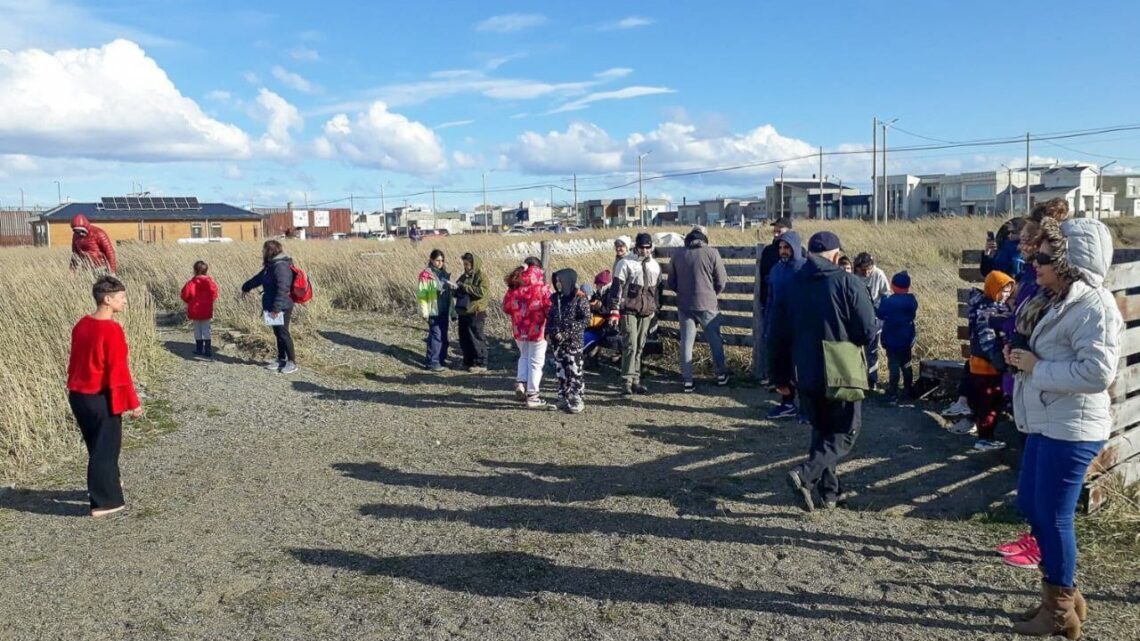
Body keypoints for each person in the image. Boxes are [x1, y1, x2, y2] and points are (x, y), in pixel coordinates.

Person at [1006, 216, 1121, 638]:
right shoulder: (1058, 299)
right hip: (1047, 418)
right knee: (1033, 506)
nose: (1034, 263)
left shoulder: (1093, 304)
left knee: (1053, 516)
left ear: (1071, 261)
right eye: (1035, 255)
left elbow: (1097, 372)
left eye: (1044, 258)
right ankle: (1066, 596)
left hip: (1072, 426)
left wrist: (1038, 367)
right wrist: (1020, 356)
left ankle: (1058, 612)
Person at [770, 231, 876, 512]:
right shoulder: (847, 282)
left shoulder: (791, 284)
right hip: (841, 369)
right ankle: (804, 474)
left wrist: (779, 377)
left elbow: (776, 334)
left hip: (804, 370)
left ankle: (830, 493)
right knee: (845, 432)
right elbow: (867, 330)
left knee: (822, 431)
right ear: (835, 254)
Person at [67, 276, 143, 518]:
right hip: (99, 396)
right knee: (106, 448)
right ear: (107, 300)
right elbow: (118, 371)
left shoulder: (82, 324)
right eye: (121, 297)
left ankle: (111, 483)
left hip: (78, 395)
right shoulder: (111, 329)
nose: (125, 301)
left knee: (97, 445)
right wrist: (132, 403)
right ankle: (104, 502)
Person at [667, 225, 729, 393]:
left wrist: (682, 292)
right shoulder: (712, 253)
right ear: (704, 237)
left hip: (685, 304)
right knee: (715, 340)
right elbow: (722, 281)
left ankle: (688, 380)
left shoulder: (678, 254)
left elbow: (671, 282)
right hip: (707, 303)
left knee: (686, 343)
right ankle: (721, 375)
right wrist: (712, 293)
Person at [965, 270, 1015, 452]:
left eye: (1009, 291)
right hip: (987, 365)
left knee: (989, 401)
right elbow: (987, 340)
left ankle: (984, 434)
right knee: (989, 402)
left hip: (985, 364)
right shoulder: (987, 310)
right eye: (1003, 290)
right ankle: (984, 438)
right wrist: (1000, 362)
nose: (1006, 295)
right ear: (993, 289)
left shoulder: (987, 306)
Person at [609, 232, 662, 396]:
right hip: (629, 309)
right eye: (642, 247)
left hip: (646, 310)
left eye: (647, 247)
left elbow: (656, 290)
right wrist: (614, 310)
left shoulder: (655, 266)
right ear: (636, 247)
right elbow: (616, 288)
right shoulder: (626, 263)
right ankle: (626, 381)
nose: (645, 250)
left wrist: (655, 309)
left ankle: (636, 380)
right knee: (630, 345)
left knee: (640, 346)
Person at [765, 229, 806, 418]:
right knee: (781, 368)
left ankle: (808, 407)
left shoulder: (805, 269)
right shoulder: (776, 269)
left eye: (787, 247)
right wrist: (768, 324)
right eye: (780, 247)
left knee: (803, 369)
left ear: (795, 248)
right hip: (778, 326)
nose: (783, 251)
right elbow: (770, 298)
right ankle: (787, 404)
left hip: (800, 327)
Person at [241, 240, 298, 374]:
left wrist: (276, 309)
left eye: (264, 250)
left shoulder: (281, 266)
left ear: (269, 251)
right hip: (272, 304)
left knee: (283, 333)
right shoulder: (271, 265)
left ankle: (292, 362)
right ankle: (281, 359)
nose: (262, 252)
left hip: (281, 305)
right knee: (277, 333)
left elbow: (282, 289)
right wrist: (246, 287)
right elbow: (258, 278)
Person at [503, 262, 552, 408]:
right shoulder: (542, 288)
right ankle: (533, 395)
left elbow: (506, 307)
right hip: (537, 330)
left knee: (524, 356)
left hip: (519, 330)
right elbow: (550, 309)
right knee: (536, 362)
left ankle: (521, 382)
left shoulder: (514, 287)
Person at [547, 269, 590, 414]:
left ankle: (577, 399)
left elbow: (585, 320)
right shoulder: (555, 298)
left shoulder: (579, 298)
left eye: (560, 281)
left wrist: (566, 333)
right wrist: (550, 331)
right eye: (556, 281)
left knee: (574, 371)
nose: (558, 284)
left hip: (573, 341)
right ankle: (562, 397)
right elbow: (551, 317)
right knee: (561, 371)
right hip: (557, 342)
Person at [877, 271, 918, 403]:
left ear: (892, 285)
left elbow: (880, 314)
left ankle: (893, 392)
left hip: (892, 340)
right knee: (906, 365)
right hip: (907, 339)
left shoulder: (888, 301)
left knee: (893, 366)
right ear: (908, 286)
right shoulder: (911, 300)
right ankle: (907, 390)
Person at [854, 252, 890, 390]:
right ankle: (857, 379)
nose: (866, 272)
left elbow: (885, 294)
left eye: (869, 269)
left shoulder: (878, 274)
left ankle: (872, 380)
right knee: (856, 349)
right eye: (862, 270)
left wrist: (880, 314)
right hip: (857, 317)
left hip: (874, 317)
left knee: (872, 350)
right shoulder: (853, 276)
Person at [416, 250, 452, 372]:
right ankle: (433, 362)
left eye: (442, 260)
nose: (440, 263)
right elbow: (421, 294)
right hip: (433, 310)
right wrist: (424, 312)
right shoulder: (426, 275)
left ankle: (441, 360)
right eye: (437, 260)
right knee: (436, 336)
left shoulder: (444, 274)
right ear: (431, 260)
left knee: (444, 336)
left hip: (444, 309)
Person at [453, 252, 489, 373]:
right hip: (464, 311)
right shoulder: (464, 276)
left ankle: (481, 362)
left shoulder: (482, 277)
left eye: (467, 264)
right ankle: (468, 361)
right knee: (464, 338)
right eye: (464, 264)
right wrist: (454, 289)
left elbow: (481, 292)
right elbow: (460, 289)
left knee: (476, 337)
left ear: (474, 264)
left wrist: (465, 287)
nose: (465, 266)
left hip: (476, 311)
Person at [180, 260, 219, 360]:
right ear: (206, 270)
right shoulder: (210, 282)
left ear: (195, 270)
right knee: (206, 328)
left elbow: (185, 295)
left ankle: (199, 348)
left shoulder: (191, 283)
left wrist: (189, 302)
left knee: (197, 329)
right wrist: (209, 302)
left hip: (195, 309)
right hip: (206, 309)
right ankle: (208, 350)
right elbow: (214, 294)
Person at [758, 217, 793, 319]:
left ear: (789, 232)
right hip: (771, 303)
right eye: (774, 231)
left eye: (779, 231)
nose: (776, 234)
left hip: (792, 304)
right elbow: (763, 277)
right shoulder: (768, 251)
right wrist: (764, 302)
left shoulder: (800, 252)